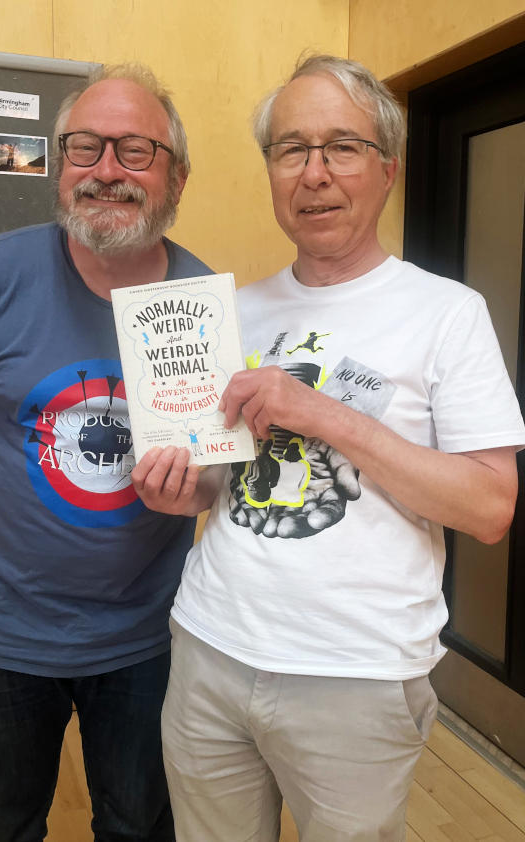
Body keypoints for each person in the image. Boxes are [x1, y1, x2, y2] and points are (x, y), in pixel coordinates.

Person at [131, 54, 525, 842]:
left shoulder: (447, 313)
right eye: (291, 149)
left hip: (357, 674)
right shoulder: (233, 310)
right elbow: (218, 483)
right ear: (271, 170)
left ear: (387, 170)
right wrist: (182, 489)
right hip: (210, 642)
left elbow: (489, 509)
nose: (314, 173)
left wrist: (324, 416)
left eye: (341, 147)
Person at [0, 62, 211, 842]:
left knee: (139, 822)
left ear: (176, 177)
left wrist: (200, 488)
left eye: (134, 150)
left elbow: (214, 462)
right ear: (57, 168)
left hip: (147, 633)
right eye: (84, 149)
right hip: (1, 629)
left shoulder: (203, 303)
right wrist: (1, 468)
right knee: (1, 822)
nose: (106, 170)